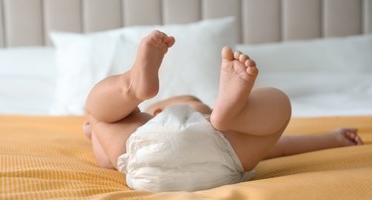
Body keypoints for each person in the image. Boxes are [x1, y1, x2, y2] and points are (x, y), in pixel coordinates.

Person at [84, 30, 363, 191]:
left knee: (97, 111)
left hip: (142, 165)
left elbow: (106, 160)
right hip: (219, 153)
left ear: (157, 112)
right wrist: (333, 138)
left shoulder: (143, 121)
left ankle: (131, 87)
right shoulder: (207, 121)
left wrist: (95, 130)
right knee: (277, 105)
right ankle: (236, 113)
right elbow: (281, 147)